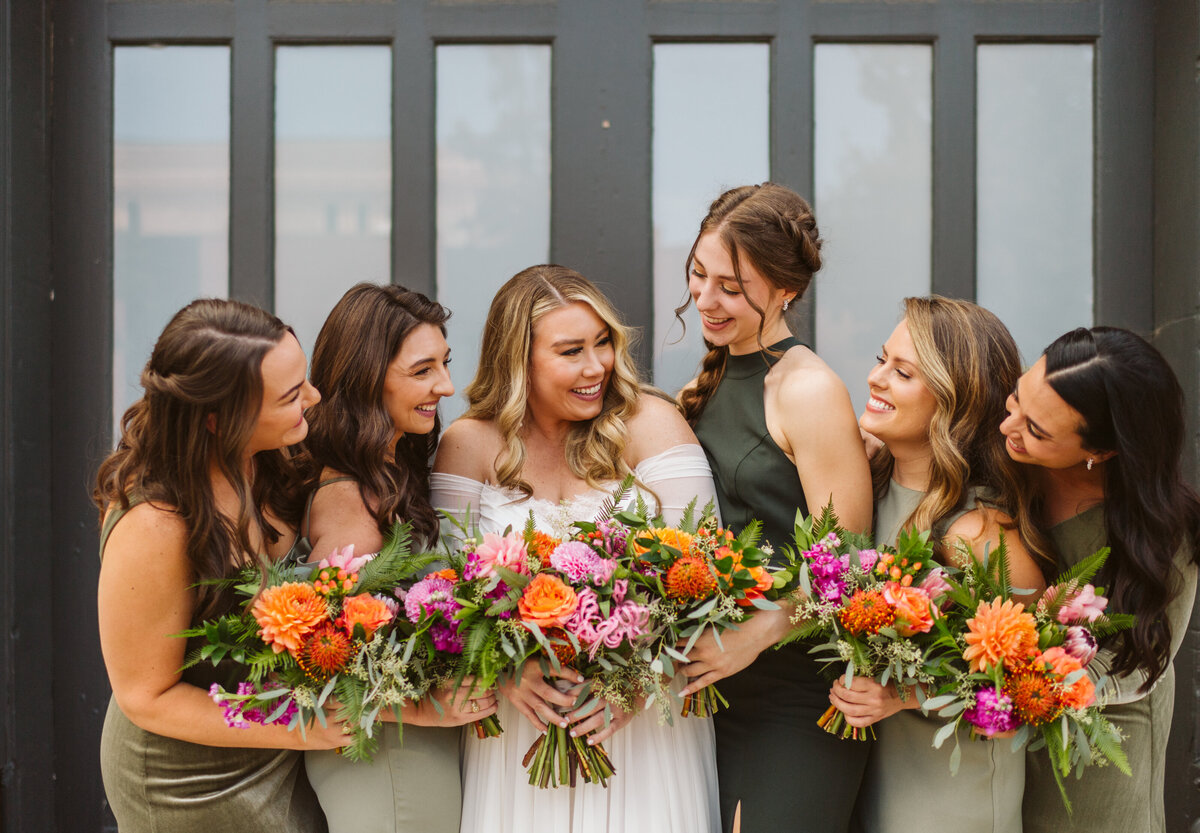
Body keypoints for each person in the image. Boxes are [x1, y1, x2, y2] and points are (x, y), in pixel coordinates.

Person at [431, 265, 721, 833]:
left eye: (603, 343)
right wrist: (506, 674)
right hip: (519, 725)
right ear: (519, 360)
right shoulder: (468, 444)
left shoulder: (653, 424)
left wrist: (634, 684)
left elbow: (706, 573)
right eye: (571, 352)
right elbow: (444, 590)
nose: (597, 367)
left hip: (640, 726)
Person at [96, 298, 347, 833]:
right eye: (290, 395)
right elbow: (146, 697)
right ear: (217, 418)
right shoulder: (157, 525)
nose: (314, 397)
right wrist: (304, 723)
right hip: (188, 784)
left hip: (276, 757)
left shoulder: (268, 459)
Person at [673, 182, 873, 833]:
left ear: (785, 288)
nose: (705, 299)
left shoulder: (807, 388)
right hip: (711, 695)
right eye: (699, 275)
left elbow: (847, 562)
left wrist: (751, 636)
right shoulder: (702, 386)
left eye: (732, 286)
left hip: (798, 697)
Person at [828, 296, 1050, 833]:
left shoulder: (982, 534)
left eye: (901, 372)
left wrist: (903, 694)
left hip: (953, 797)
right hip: (866, 782)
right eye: (882, 360)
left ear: (957, 402)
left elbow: (1030, 693)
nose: (875, 378)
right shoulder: (865, 485)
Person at [296, 284, 497, 833]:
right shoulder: (348, 501)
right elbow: (318, 664)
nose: (447, 386)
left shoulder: (385, 475)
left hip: (411, 748)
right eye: (423, 370)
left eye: (445, 364)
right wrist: (430, 708)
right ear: (367, 376)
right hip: (386, 761)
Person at [1000, 326, 1200, 833]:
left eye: (1037, 430)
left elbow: (1138, 664)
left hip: (1096, 749)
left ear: (1103, 451)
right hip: (991, 740)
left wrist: (1026, 686)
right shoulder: (1009, 463)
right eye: (1016, 398)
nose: (1008, 426)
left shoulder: (1164, 531)